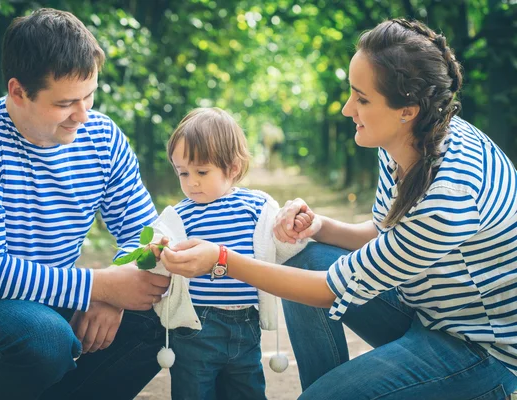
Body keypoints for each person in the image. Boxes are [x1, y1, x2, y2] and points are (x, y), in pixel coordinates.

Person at [159, 18, 517, 399]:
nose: (348, 109)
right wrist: (319, 227)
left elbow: (330, 290)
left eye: (362, 99)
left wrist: (222, 259)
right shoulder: (408, 139)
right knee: (304, 256)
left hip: (478, 348)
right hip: (424, 309)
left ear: (407, 109)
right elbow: (386, 238)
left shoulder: (448, 197)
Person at [0, 8, 171, 400]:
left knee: (164, 314)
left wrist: (114, 296)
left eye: (89, 96)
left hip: (46, 300)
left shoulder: (103, 138)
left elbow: (149, 235)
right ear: (18, 91)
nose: (83, 117)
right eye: (66, 103)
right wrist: (100, 288)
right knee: (44, 338)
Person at [157, 107, 307, 399]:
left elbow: (281, 250)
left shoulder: (258, 208)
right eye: (182, 173)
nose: (191, 182)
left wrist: (294, 232)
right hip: (196, 327)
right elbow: (156, 255)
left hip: (246, 325)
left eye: (202, 171)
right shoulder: (179, 216)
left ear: (233, 168)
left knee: (247, 391)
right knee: (193, 392)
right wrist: (158, 252)